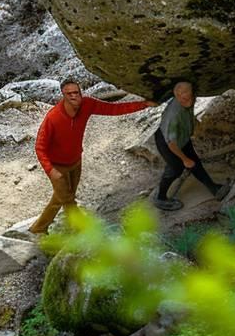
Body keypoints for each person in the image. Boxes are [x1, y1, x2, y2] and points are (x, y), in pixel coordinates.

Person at [30, 80, 153, 235]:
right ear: (63, 96)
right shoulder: (53, 117)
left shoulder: (87, 104)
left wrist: (144, 104)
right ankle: (80, 230)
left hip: (75, 162)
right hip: (56, 167)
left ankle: (38, 228)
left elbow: (113, 109)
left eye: (77, 92)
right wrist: (50, 170)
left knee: (61, 198)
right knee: (68, 200)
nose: (75, 96)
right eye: (70, 94)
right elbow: (40, 147)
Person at [153, 81, 227, 211]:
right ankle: (160, 197)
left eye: (191, 96)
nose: (190, 100)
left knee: (194, 161)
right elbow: (172, 144)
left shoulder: (187, 101)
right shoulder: (173, 115)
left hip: (182, 138)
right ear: (177, 95)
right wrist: (184, 159)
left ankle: (214, 188)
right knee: (176, 168)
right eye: (185, 98)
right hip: (168, 143)